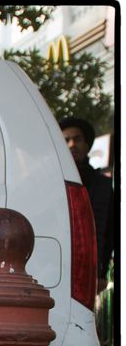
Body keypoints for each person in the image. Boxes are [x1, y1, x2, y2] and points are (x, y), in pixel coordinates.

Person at [59, 117, 114, 291]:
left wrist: (102, 273)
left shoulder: (104, 185)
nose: (72, 144)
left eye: (77, 139)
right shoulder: (51, 183)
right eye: (66, 140)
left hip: (89, 272)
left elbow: (110, 232)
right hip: (57, 268)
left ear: (87, 144)